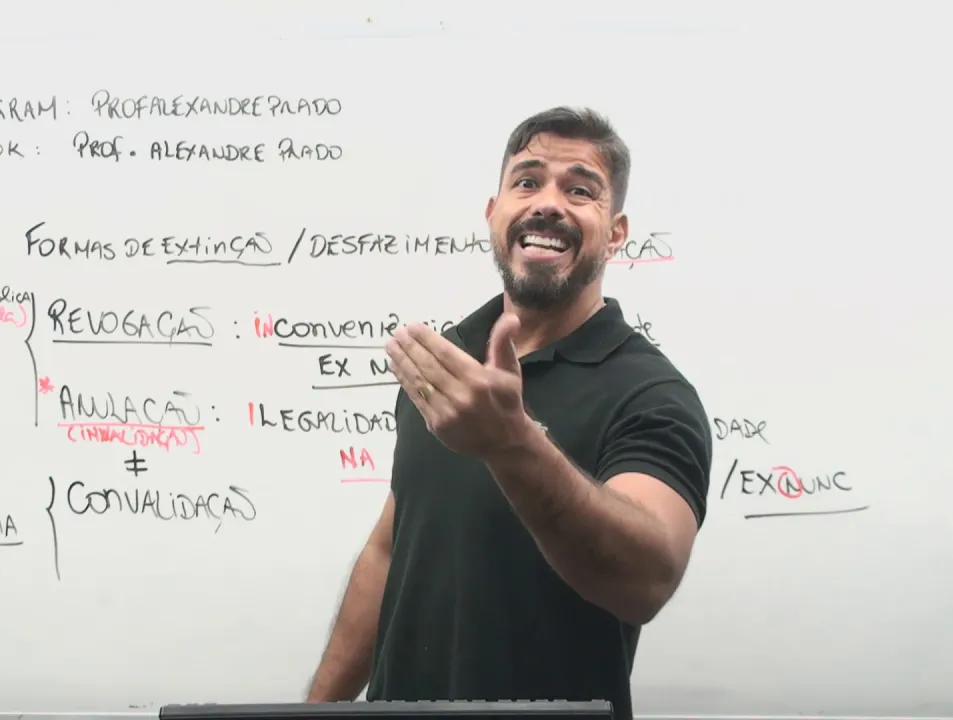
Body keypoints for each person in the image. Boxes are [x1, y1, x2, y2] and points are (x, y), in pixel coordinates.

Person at [304, 106, 712, 720]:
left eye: (580, 190)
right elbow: (391, 549)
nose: (547, 203)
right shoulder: (448, 364)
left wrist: (512, 442)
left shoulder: (652, 394)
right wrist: (314, 710)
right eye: (527, 181)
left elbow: (646, 581)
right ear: (493, 212)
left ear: (616, 232)